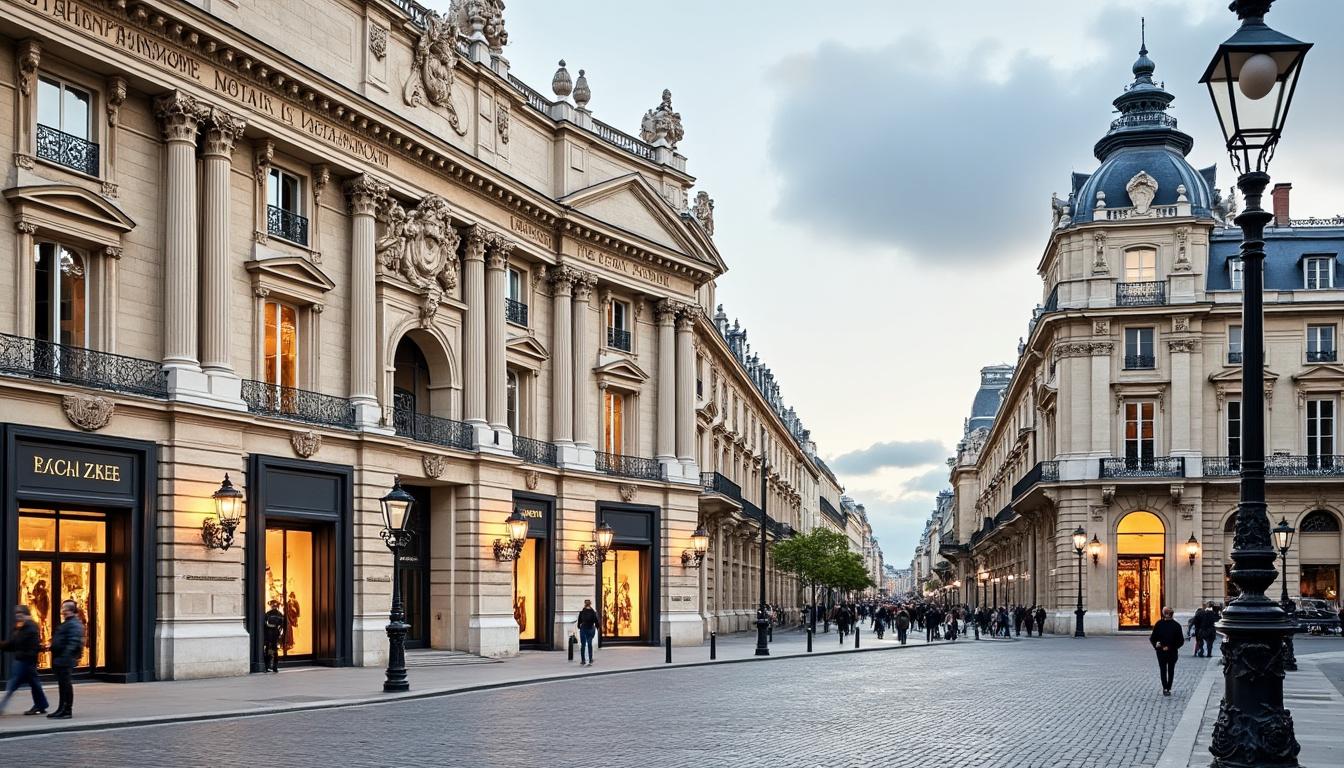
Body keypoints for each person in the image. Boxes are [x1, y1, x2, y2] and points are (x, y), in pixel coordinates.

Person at [0, 605, 48, 716]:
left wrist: (29, 656)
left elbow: (34, 646)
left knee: (13, 684)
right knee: (34, 684)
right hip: (22, 660)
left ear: (26, 615)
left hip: (25, 661)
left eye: (20, 614)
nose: (18, 616)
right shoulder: (19, 627)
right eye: (16, 614)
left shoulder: (31, 627)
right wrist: (3, 645)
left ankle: (2, 706)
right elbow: (13, 644)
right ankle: (41, 704)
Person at [47, 600, 84, 719]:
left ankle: (67, 710)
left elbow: (72, 643)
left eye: (63, 608)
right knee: (62, 685)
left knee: (65, 685)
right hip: (61, 659)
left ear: (68, 610)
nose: (62, 611)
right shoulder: (68, 623)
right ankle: (61, 708)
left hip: (65, 660)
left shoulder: (74, 624)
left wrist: (64, 657)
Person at [1149, 606, 1184, 696]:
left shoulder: (1176, 626)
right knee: (1163, 670)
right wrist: (1156, 645)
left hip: (1171, 652)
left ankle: (1168, 687)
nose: (1167, 615)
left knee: (1170, 670)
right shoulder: (1159, 624)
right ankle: (1165, 687)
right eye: (1166, 613)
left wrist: (1170, 647)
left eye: (1168, 613)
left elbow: (1181, 641)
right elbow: (1153, 638)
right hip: (1161, 651)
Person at [263, 600, 286, 673]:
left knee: (269, 650)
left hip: (270, 634)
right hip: (275, 633)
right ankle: (274, 667)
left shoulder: (268, 614)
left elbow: (265, 624)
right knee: (274, 650)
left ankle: (268, 666)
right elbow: (281, 626)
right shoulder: (279, 614)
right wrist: (279, 633)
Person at [576, 598, 599, 667]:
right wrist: (597, 628)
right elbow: (596, 621)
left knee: (583, 645)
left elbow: (579, 622)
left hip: (583, 629)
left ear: (584, 604)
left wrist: (579, 627)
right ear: (590, 604)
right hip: (591, 629)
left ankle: (583, 660)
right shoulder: (593, 612)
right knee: (589, 644)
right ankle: (590, 659)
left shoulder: (582, 612)